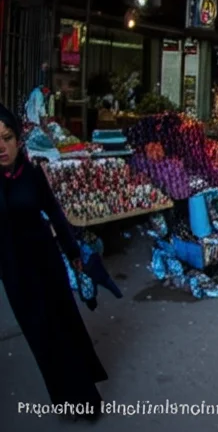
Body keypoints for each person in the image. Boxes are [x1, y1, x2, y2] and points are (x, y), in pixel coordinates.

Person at [0, 104, 107, 419]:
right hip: (14, 273)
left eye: (6, 138)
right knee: (40, 338)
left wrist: (73, 252)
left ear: (18, 140)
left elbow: (55, 213)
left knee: (62, 327)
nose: (1, 147)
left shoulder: (31, 174)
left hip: (44, 263)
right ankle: (64, 398)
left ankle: (86, 400)